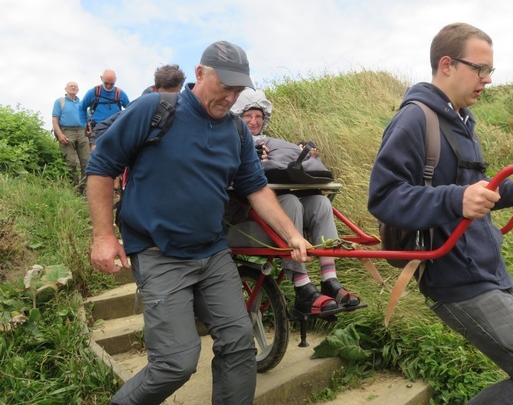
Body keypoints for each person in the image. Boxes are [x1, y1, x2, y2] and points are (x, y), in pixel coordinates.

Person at [86, 41, 314, 405]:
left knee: (239, 344)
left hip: (212, 252)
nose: (230, 97)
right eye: (225, 87)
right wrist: (103, 236)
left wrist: (291, 234)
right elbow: (101, 167)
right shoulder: (156, 109)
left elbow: (255, 188)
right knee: (176, 362)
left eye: (238, 90)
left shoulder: (237, 131)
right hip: (157, 251)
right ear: (200, 74)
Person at [368, 23, 513, 405]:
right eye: (480, 69)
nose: (488, 79)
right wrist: (455, 199)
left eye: (490, 70)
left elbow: (468, 185)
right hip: (455, 279)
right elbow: (384, 197)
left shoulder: (461, 120)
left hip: (488, 268)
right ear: (447, 64)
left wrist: (512, 190)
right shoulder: (415, 119)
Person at [227, 89, 360, 315]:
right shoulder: (227, 143)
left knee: (320, 202)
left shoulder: (270, 144)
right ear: (237, 117)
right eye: (248, 116)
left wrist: (300, 154)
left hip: (269, 217)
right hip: (240, 222)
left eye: (259, 116)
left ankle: (329, 279)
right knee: (289, 201)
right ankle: (302, 287)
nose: (254, 121)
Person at [92, 64, 186, 143]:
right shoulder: (141, 108)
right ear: (155, 89)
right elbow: (102, 128)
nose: (170, 100)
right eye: (165, 95)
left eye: (175, 95)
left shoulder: (183, 111)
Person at [51, 81, 91, 192]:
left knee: (86, 161)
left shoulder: (81, 103)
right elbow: (55, 120)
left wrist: (89, 130)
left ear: (78, 90)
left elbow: (88, 119)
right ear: (66, 89)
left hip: (82, 132)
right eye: (71, 86)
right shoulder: (60, 102)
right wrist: (59, 134)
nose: (73, 88)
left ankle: (85, 189)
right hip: (67, 131)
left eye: (75, 86)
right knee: (71, 162)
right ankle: (75, 189)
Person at [79, 69, 131, 147]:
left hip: (115, 128)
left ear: (115, 80)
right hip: (97, 128)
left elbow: (130, 110)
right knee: (95, 153)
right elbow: (81, 108)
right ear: (101, 78)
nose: (109, 86)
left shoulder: (120, 94)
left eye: (112, 84)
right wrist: (84, 125)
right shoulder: (93, 92)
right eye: (106, 83)